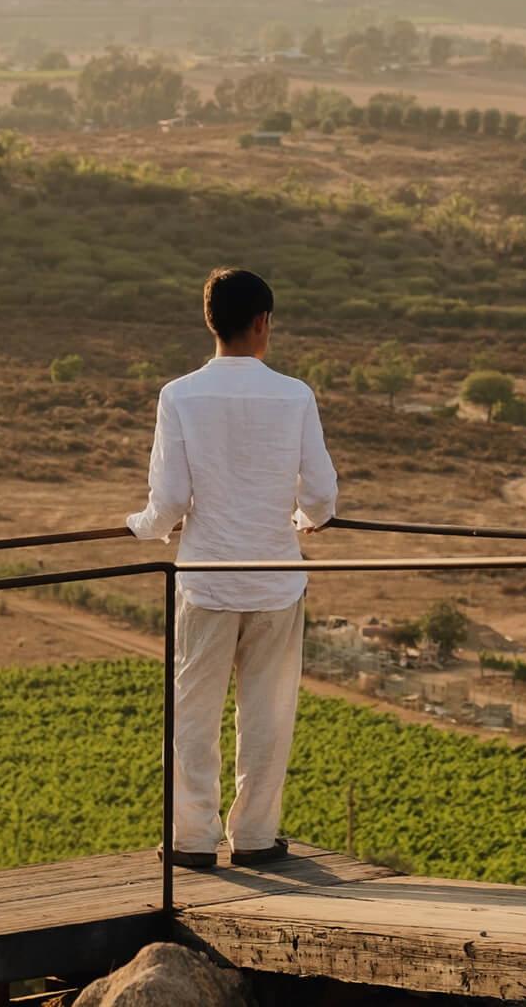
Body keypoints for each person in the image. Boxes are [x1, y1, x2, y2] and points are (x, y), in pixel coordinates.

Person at [126, 267, 339, 868]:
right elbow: (321, 496)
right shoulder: (296, 395)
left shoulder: (179, 395)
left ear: (209, 320)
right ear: (263, 323)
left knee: (194, 713)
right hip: (275, 579)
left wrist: (140, 526)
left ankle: (190, 841)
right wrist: (303, 519)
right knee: (268, 713)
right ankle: (253, 837)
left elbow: (167, 504)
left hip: (205, 579)